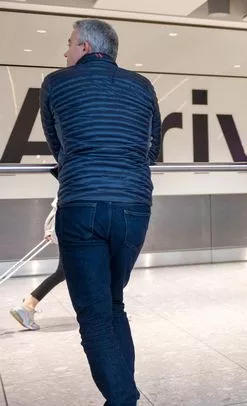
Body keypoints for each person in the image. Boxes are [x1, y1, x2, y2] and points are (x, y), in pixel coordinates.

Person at [40, 19, 161, 406]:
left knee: (94, 314)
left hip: (82, 204)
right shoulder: (142, 86)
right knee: (113, 303)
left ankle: (123, 399)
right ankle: (124, 394)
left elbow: (58, 145)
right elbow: (152, 149)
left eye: (70, 43)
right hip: (134, 206)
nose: (66, 52)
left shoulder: (56, 83)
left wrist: (80, 165)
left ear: (87, 48)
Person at [10, 193, 63, 331]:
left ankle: (28, 305)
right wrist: (52, 230)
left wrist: (51, 229)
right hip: (72, 230)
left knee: (64, 272)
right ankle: (28, 306)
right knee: (63, 272)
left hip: (69, 229)